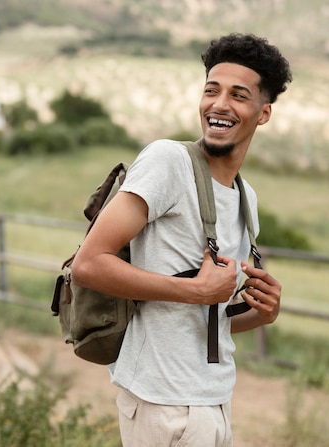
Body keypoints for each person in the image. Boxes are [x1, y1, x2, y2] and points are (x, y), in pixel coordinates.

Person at [71, 33, 292, 446]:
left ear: (263, 113)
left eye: (238, 95)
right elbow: (88, 264)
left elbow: (210, 320)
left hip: (215, 401)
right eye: (212, 90)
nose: (219, 105)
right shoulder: (168, 161)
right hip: (161, 404)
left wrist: (261, 314)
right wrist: (194, 291)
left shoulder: (247, 199)